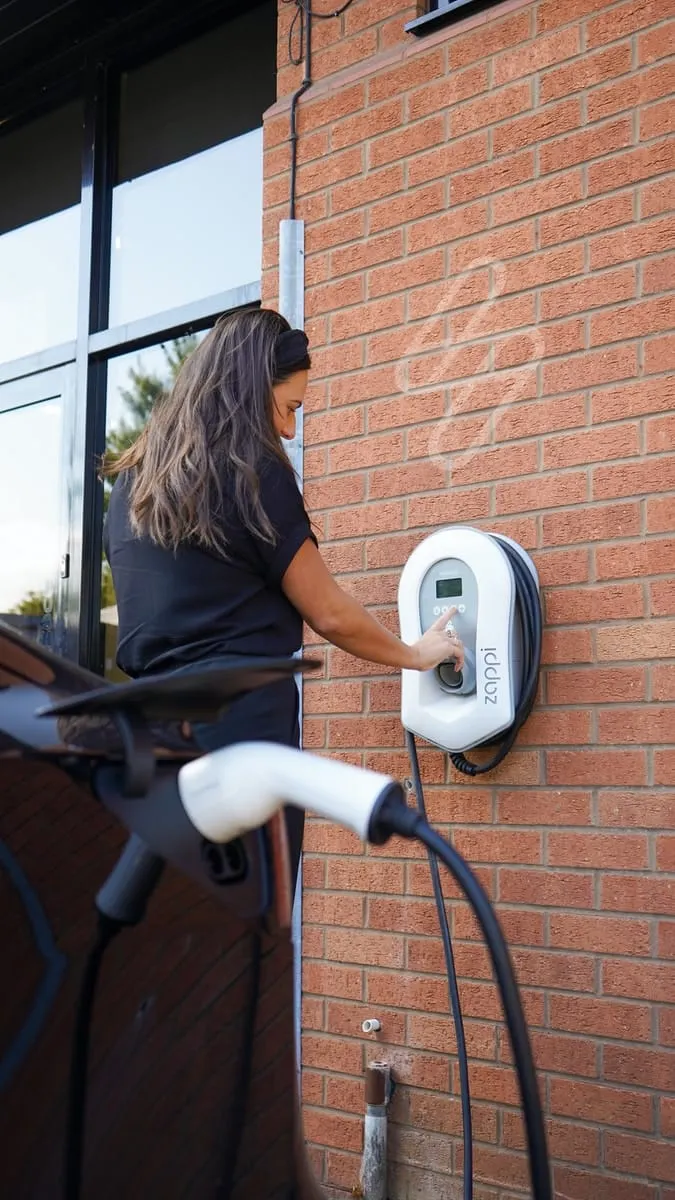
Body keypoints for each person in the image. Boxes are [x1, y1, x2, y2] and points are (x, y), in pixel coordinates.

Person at [102, 307, 464, 880]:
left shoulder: (131, 489)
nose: (291, 432)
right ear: (251, 386)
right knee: (246, 933)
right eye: (290, 408)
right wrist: (416, 654)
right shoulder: (251, 471)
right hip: (238, 736)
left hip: (147, 743)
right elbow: (329, 612)